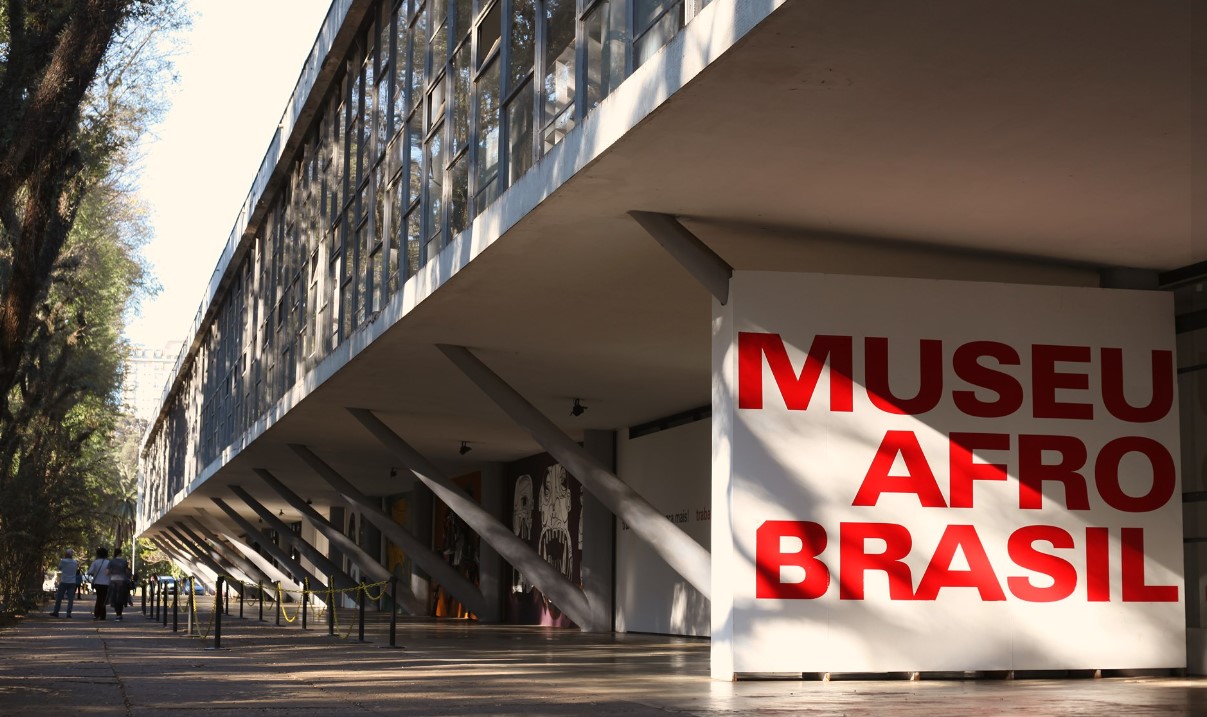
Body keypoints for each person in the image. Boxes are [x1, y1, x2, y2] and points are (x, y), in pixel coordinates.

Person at [49, 549, 78, 618]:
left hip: (64, 581)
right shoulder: (75, 562)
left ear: (66, 554)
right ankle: (68, 613)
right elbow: (76, 570)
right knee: (70, 599)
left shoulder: (63, 561)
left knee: (59, 598)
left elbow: (59, 568)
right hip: (72, 582)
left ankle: (56, 612)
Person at [86, 547, 110, 621]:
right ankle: (103, 614)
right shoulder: (108, 562)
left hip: (97, 583)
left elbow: (90, 572)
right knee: (103, 598)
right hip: (106, 583)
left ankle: (97, 614)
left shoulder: (95, 562)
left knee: (99, 598)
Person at [106, 548, 130, 621]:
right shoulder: (124, 561)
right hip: (123, 581)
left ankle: (117, 613)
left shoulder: (111, 562)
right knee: (121, 598)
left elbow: (107, 573)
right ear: (120, 553)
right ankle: (120, 613)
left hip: (114, 581)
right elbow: (127, 572)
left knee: (114, 598)